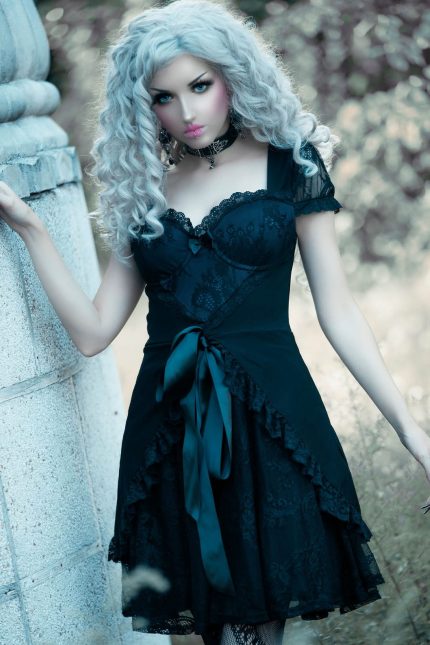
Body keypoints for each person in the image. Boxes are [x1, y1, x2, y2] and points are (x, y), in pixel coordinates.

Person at [1, 0, 429, 643]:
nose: (187, 111)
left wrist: (414, 435)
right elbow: (92, 332)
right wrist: (29, 226)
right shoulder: (145, 191)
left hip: (271, 425)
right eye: (164, 97)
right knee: (205, 631)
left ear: (233, 75)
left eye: (199, 85)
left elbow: (338, 311)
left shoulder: (292, 165)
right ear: (144, 106)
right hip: (170, 431)